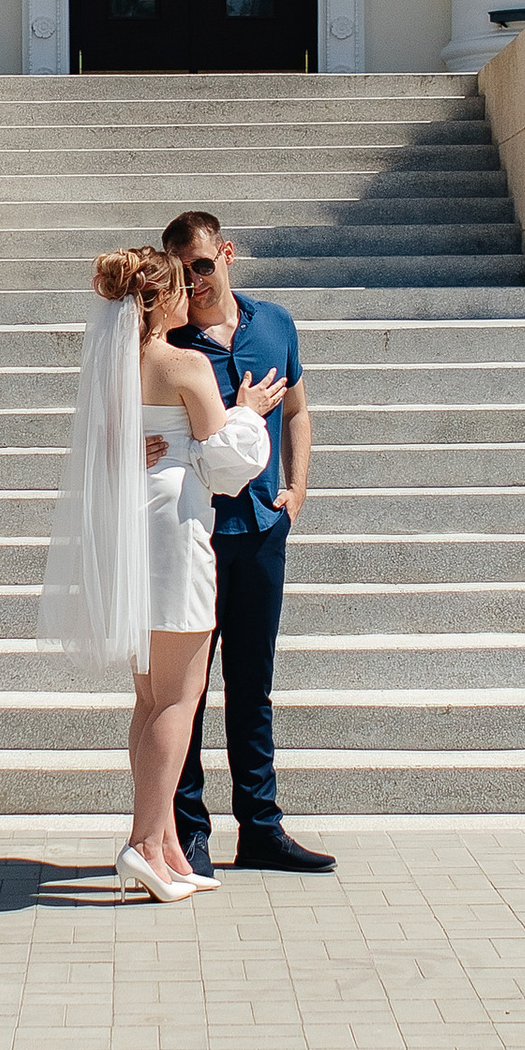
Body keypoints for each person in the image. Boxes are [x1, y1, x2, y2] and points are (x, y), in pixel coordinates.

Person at [35, 243, 285, 906]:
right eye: (178, 287)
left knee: (150, 699)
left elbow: (115, 452)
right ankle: (145, 844)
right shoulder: (184, 363)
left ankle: (165, 840)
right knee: (179, 698)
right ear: (159, 300)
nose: (189, 296)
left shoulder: (116, 368)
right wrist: (250, 413)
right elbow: (231, 463)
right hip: (173, 533)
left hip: (129, 530)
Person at [161, 208, 334, 878]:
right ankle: (187, 836)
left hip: (262, 531)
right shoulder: (170, 341)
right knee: (188, 691)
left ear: (227, 253)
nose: (196, 280)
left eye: (204, 264)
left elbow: (297, 409)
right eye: (182, 271)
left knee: (252, 685)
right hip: (196, 537)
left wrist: (297, 490)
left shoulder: (276, 325)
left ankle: (261, 828)